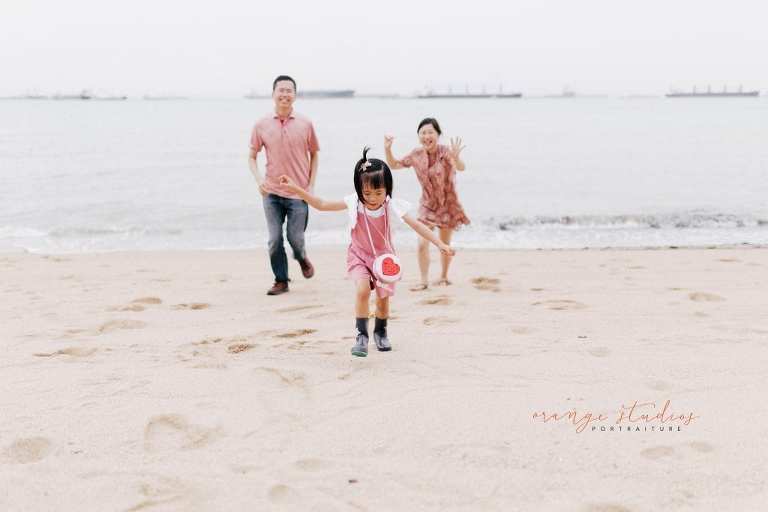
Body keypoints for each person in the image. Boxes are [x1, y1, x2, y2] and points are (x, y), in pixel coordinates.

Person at [278, 148, 455, 357]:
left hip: (385, 259)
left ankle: (381, 331)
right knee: (362, 290)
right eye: (367, 193)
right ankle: (361, 335)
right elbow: (322, 204)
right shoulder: (354, 202)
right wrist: (296, 189)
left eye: (378, 193)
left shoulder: (392, 206)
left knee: (382, 299)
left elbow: (417, 225)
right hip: (359, 255)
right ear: (359, 189)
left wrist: (439, 244)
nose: (372, 198)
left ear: (387, 189)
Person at [248, 75, 320, 295]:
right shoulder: (261, 125)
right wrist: (259, 180)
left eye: (289, 90)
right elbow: (251, 156)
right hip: (271, 192)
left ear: (295, 96)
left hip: (298, 193)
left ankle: (301, 257)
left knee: (295, 238)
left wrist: (311, 186)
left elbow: (314, 154)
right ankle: (281, 280)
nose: (285, 94)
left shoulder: (306, 124)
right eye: (281, 90)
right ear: (273, 94)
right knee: (274, 239)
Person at [384, 117, 470, 291]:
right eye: (423, 132)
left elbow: (460, 167)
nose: (427, 136)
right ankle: (423, 281)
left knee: (444, 244)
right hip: (427, 205)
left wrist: (457, 157)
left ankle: (444, 276)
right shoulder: (416, 155)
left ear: (438, 135)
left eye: (431, 132)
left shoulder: (446, 152)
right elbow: (394, 165)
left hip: (448, 205)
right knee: (422, 243)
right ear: (419, 136)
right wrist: (388, 149)